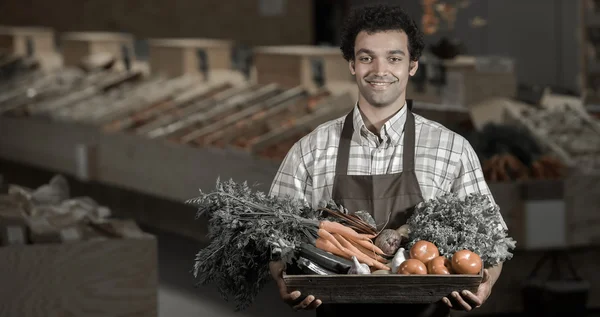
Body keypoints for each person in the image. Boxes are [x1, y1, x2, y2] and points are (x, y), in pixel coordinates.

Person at [268, 4, 507, 317]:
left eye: (394, 58)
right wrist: (281, 278)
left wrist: (487, 281)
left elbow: (493, 239)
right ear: (352, 64)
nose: (380, 70)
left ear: (413, 65)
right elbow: (273, 235)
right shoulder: (310, 150)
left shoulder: (451, 149)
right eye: (367, 58)